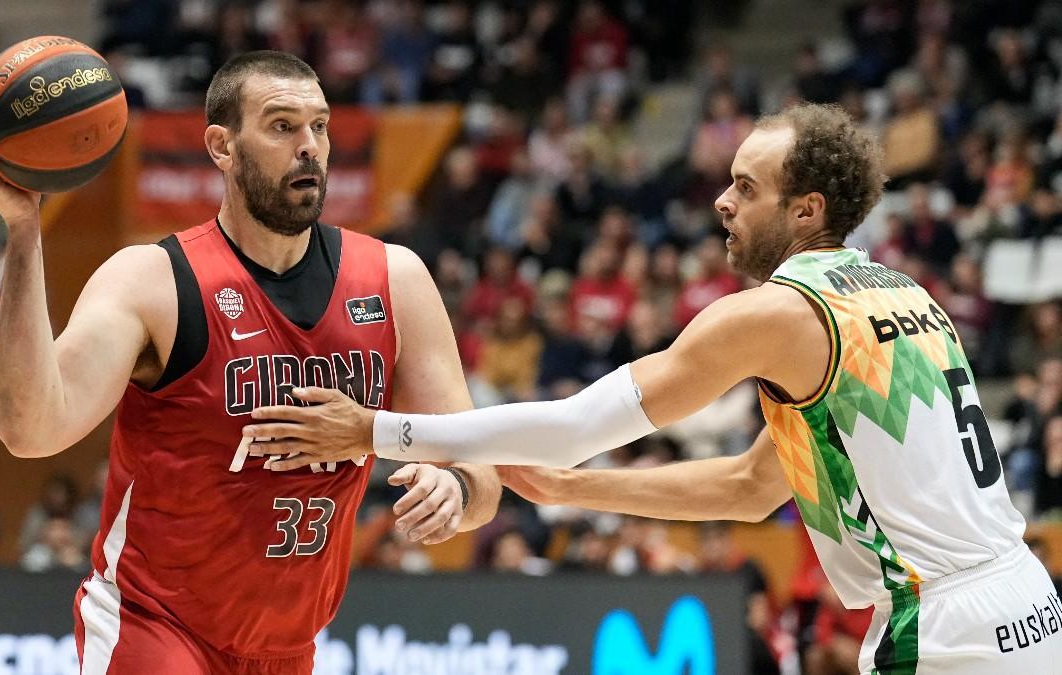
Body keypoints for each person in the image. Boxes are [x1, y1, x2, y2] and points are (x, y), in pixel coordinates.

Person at [252, 103, 1062, 672]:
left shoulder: (777, 312)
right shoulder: (900, 292)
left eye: (747, 186)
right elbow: (751, 488)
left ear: (807, 208)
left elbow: (576, 421)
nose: (722, 198)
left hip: (947, 625)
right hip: (1025, 599)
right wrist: (575, 487)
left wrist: (374, 431)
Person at [0, 50, 500, 675]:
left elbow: (480, 474)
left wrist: (454, 487)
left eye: (320, 126)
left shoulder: (395, 280)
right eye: (281, 126)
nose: (310, 147)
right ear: (221, 146)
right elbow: (29, 430)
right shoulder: (153, 280)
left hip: (289, 648)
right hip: (153, 625)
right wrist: (24, 233)